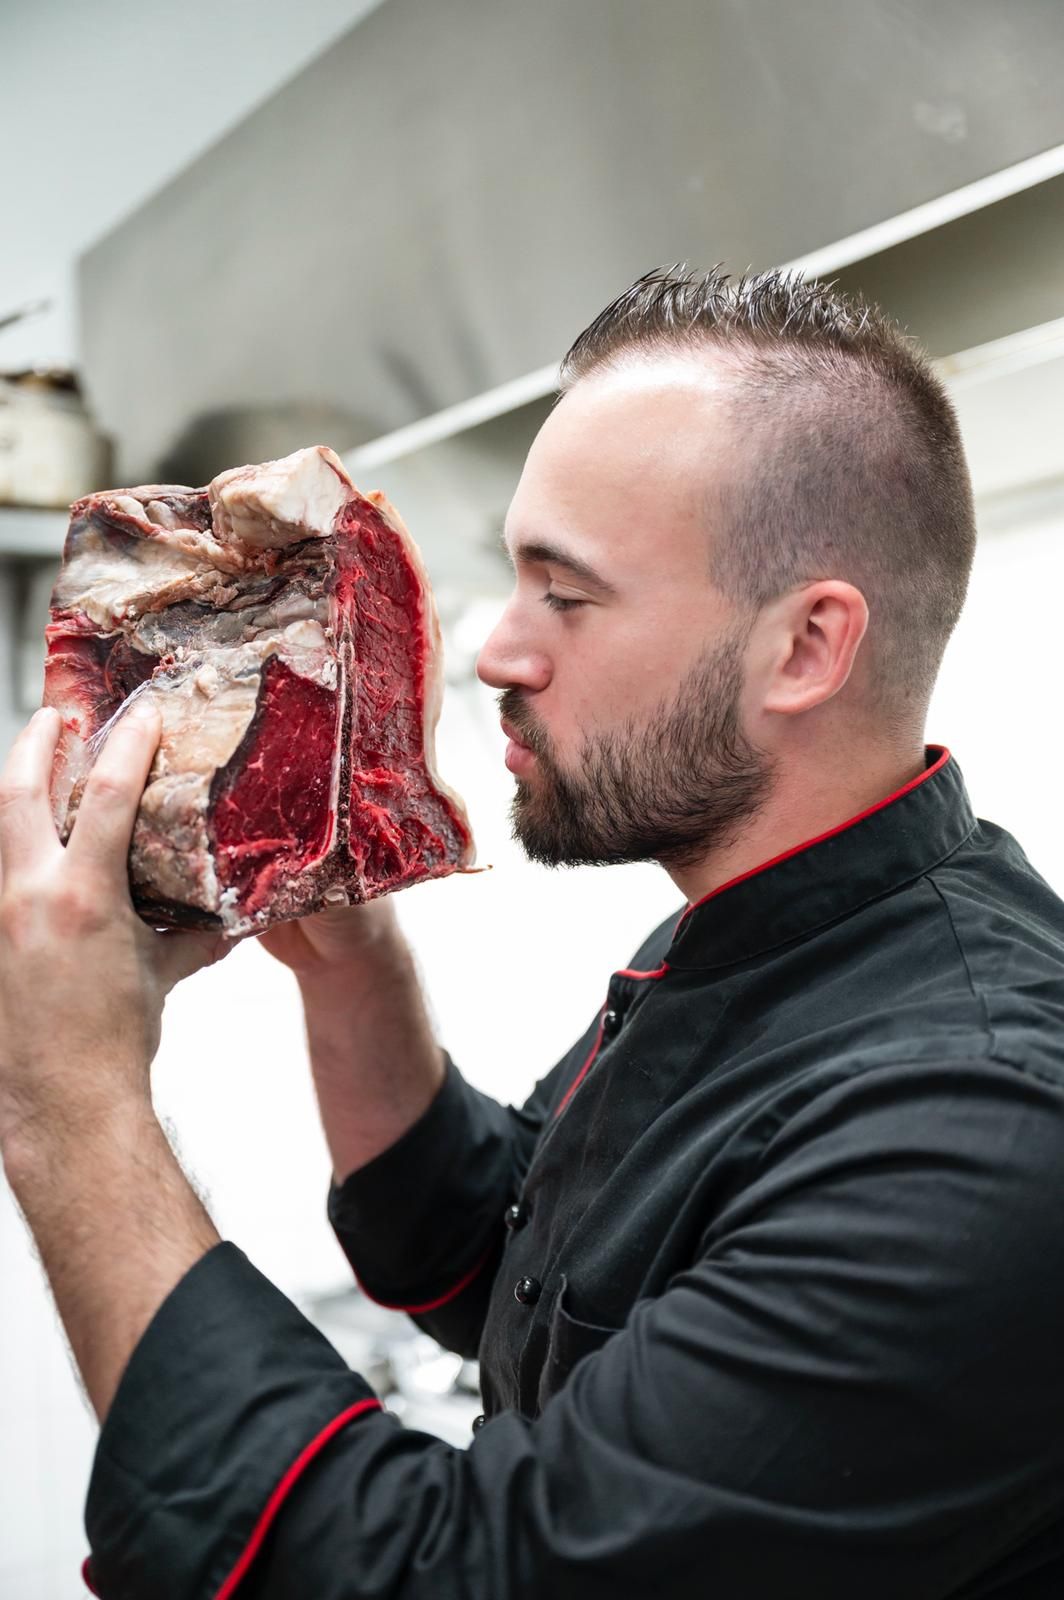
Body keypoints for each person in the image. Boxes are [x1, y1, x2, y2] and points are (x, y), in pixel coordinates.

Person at [1, 266, 1063, 1600]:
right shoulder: (760, 942)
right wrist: (356, 972)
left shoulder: (973, 1128)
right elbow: (502, 1258)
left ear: (805, 649)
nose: (497, 648)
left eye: (565, 594)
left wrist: (67, 1101)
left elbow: (428, 1583)